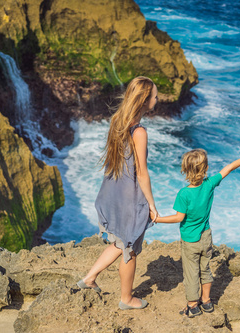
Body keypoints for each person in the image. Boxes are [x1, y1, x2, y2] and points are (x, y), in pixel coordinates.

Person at [77, 76, 159, 310]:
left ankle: (89, 278)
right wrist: (152, 205)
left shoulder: (118, 121)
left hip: (113, 191)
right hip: (129, 198)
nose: (157, 99)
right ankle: (126, 299)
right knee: (129, 247)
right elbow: (142, 173)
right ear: (144, 100)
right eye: (154, 96)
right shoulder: (139, 131)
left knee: (119, 242)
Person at [152, 147, 240, 317]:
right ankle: (207, 302)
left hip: (190, 240)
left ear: (185, 170)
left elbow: (179, 218)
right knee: (205, 269)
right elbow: (229, 167)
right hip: (206, 236)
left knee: (191, 273)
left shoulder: (184, 193)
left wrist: (157, 219)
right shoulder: (209, 184)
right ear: (206, 168)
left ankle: (193, 306)